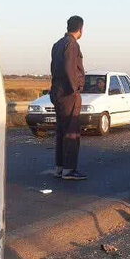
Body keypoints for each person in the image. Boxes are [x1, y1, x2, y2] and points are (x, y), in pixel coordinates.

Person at [50, 15, 86, 180]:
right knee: (71, 131)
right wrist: (75, 89)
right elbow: (70, 68)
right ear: (80, 29)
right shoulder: (72, 45)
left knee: (61, 130)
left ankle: (60, 167)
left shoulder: (57, 44)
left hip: (57, 91)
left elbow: (54, 68)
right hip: (67, 94)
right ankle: (69, 169)